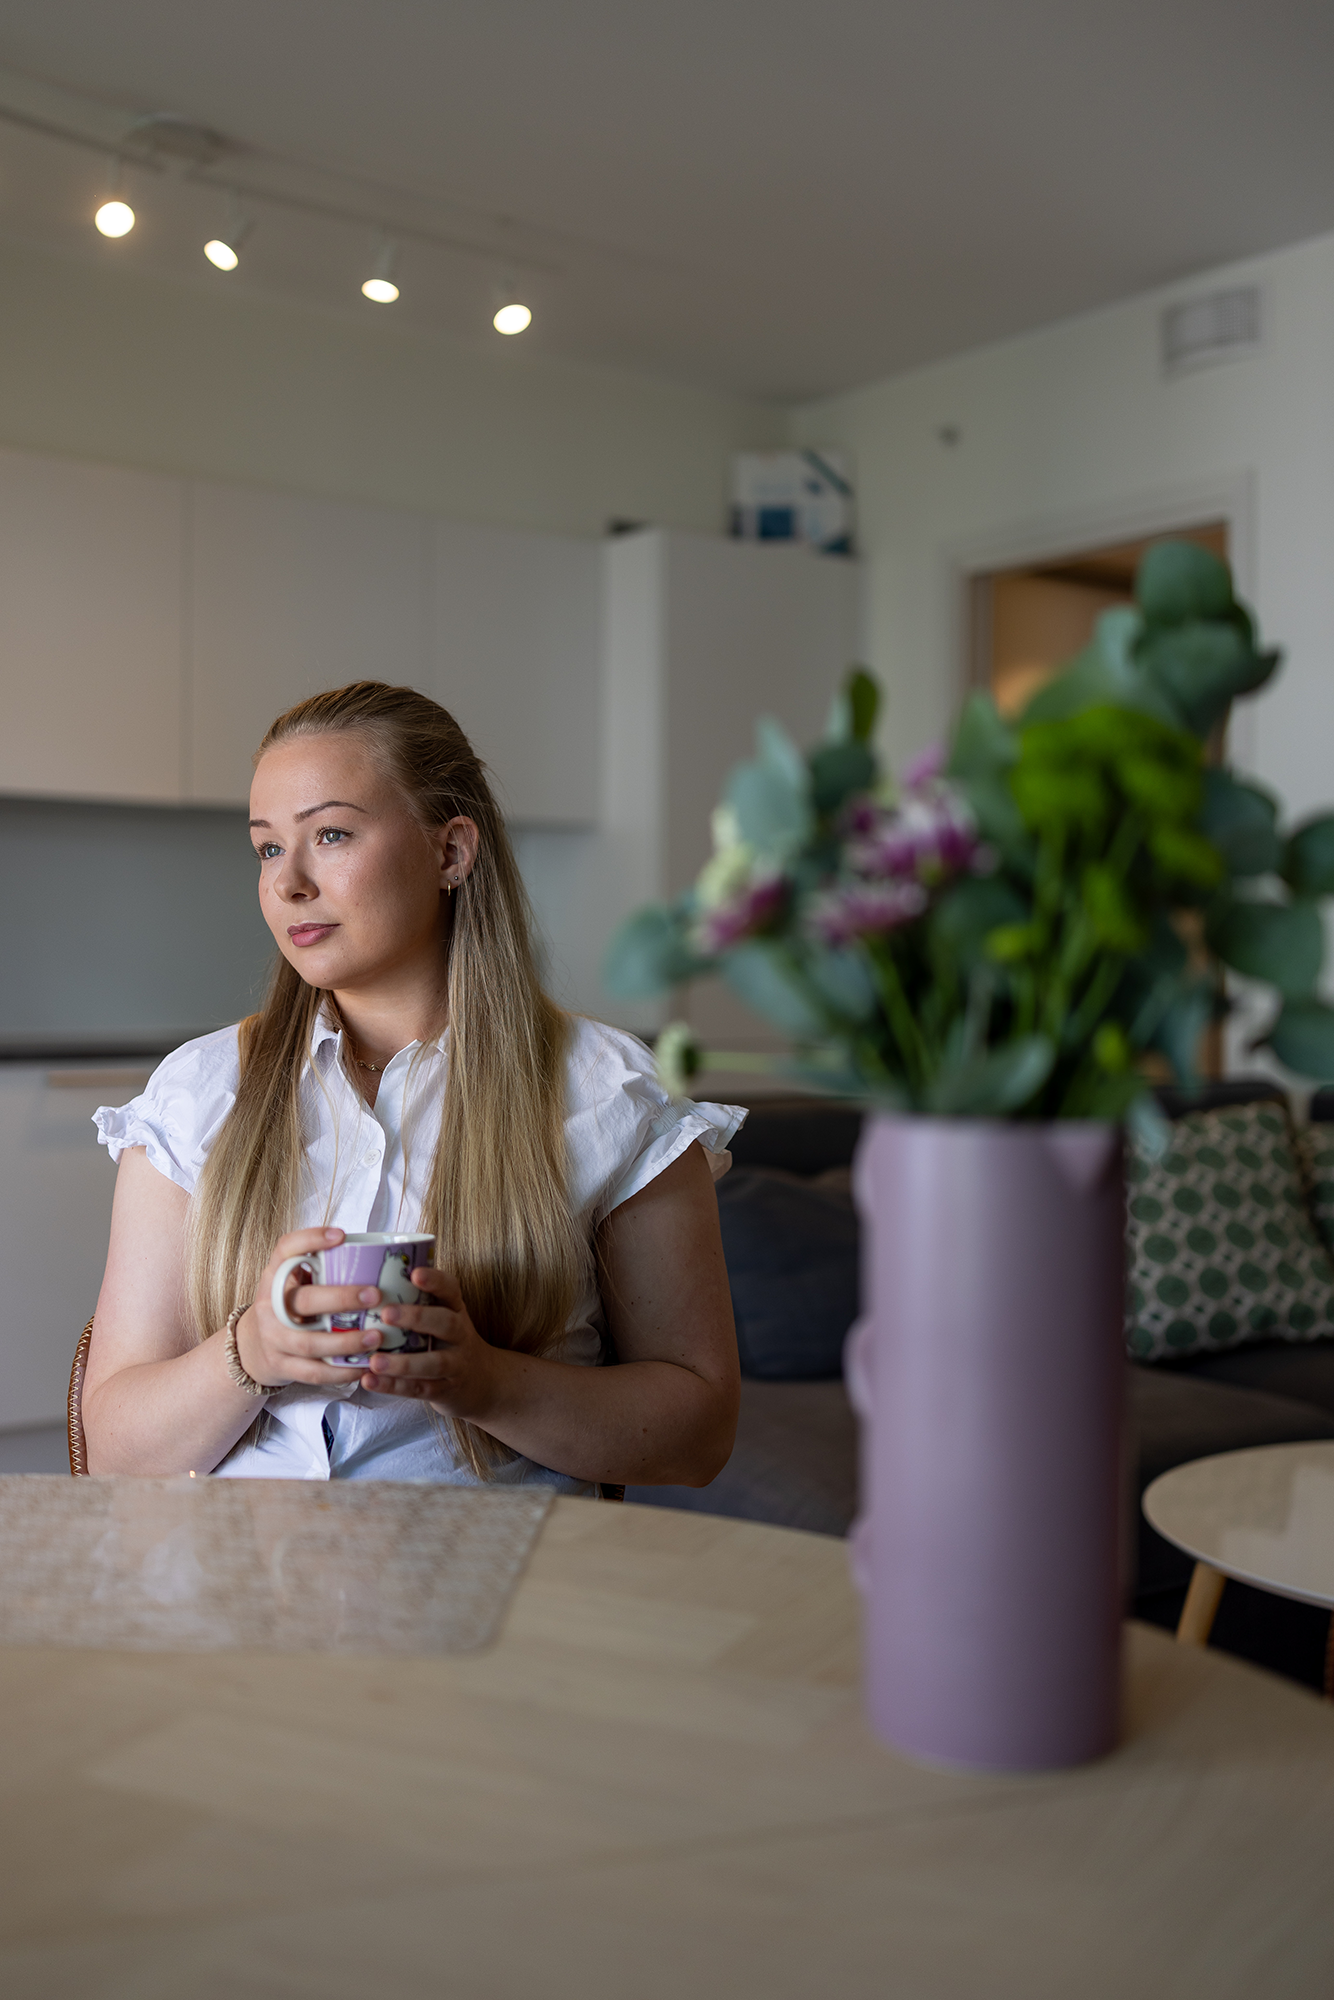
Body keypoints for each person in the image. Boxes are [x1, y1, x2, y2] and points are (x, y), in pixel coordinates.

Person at [84, 681, 742, 1493]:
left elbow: (699, 1435)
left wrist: (484, 1383)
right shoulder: (199, 1091)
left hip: (505, 1590)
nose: (288, 883)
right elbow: (113, 1449)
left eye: (330, 834)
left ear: (451, 853)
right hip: (240, 1589)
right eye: (265, 847)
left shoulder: (605, 1089)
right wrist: (250, 1352)